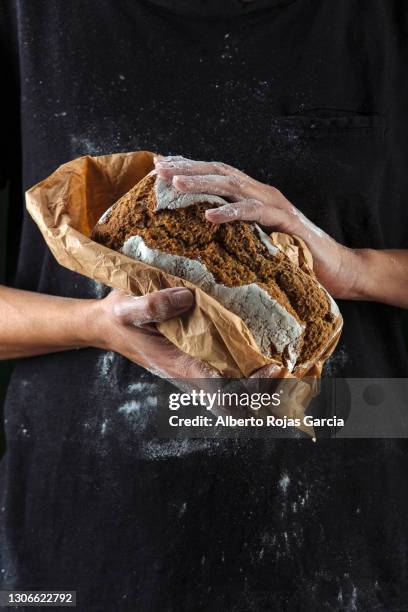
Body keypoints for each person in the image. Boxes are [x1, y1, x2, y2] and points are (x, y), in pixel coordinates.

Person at [1, 0, 408, 609]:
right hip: (90, 544)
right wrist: (93, 325)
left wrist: (354, 269)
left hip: (346, 543)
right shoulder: (32, 20)